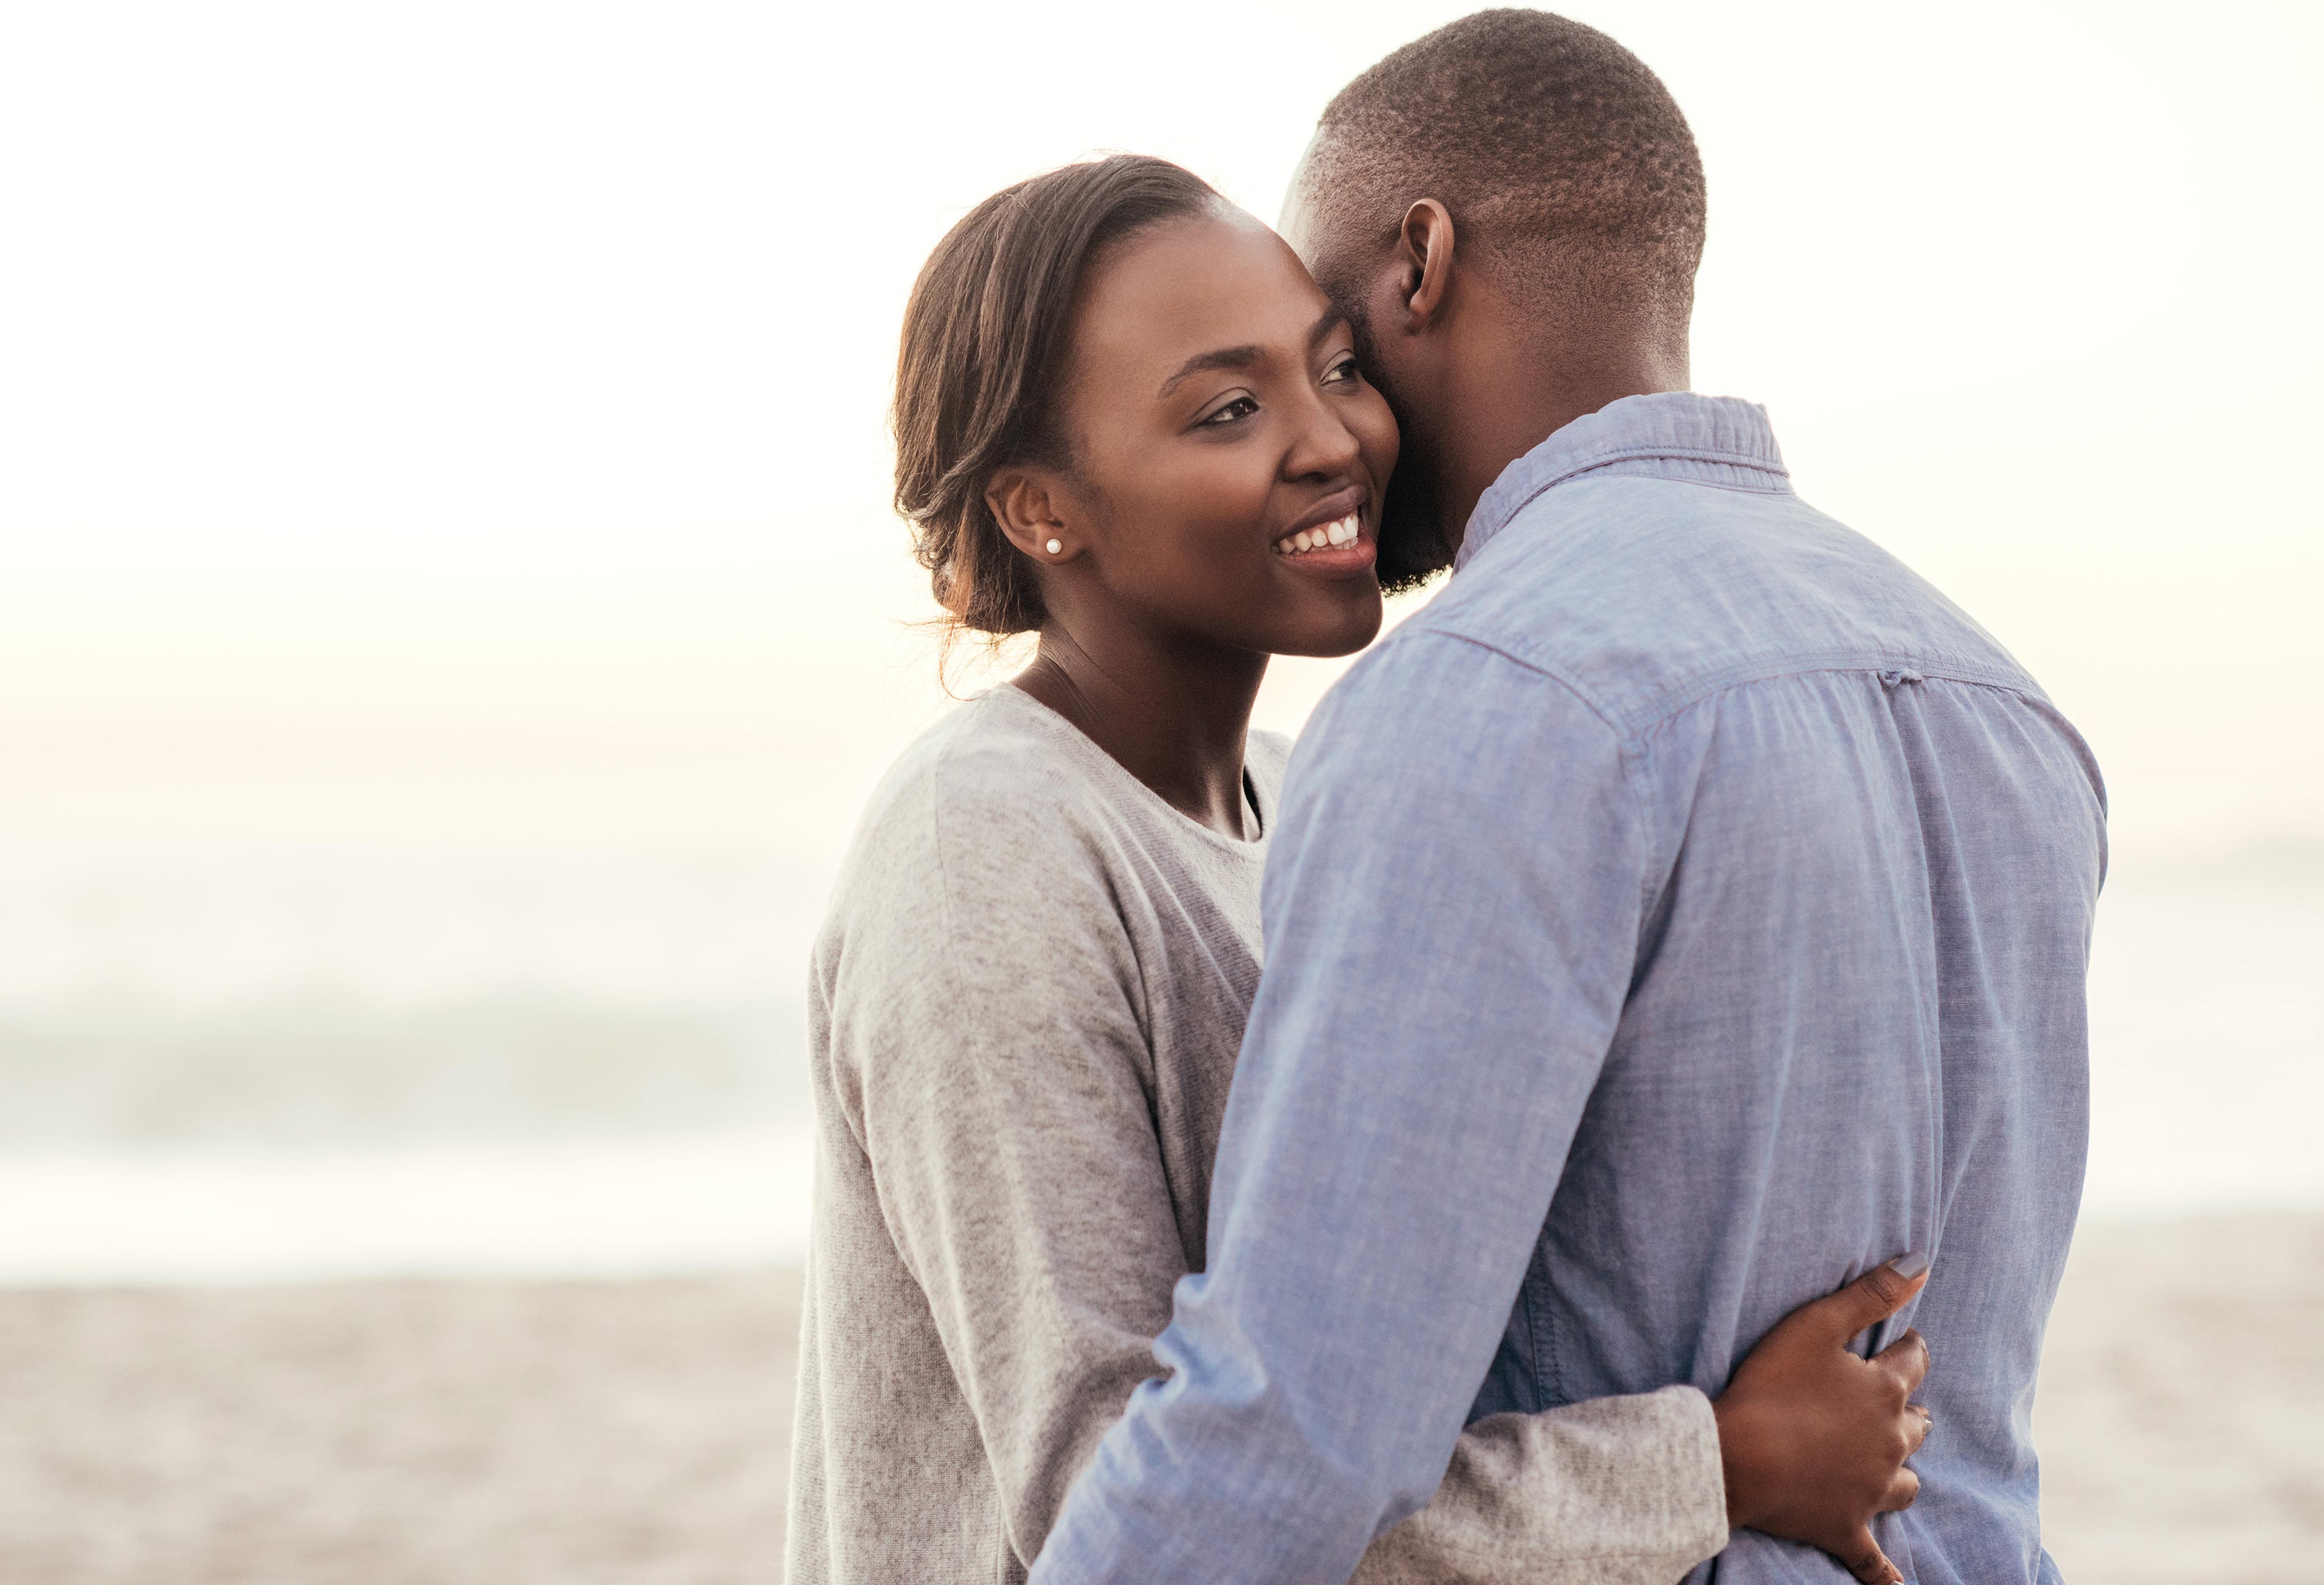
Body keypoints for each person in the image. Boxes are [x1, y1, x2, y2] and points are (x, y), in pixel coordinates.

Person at [1028, 14, 2104, 1585]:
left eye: (1337, 347)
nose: (1331, 431)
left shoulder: (1487, 695)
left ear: (1420, 261)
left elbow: (1293, 1430)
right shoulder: (2002, 701)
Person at [787, 153, 1937, 1585]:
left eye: (1338, 367)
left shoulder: (1300, 791)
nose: (1333, 439)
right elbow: (1129, 1510)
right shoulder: (986, 845)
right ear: (1040, 510)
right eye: (1229, 409)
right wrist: (1718, 1465)